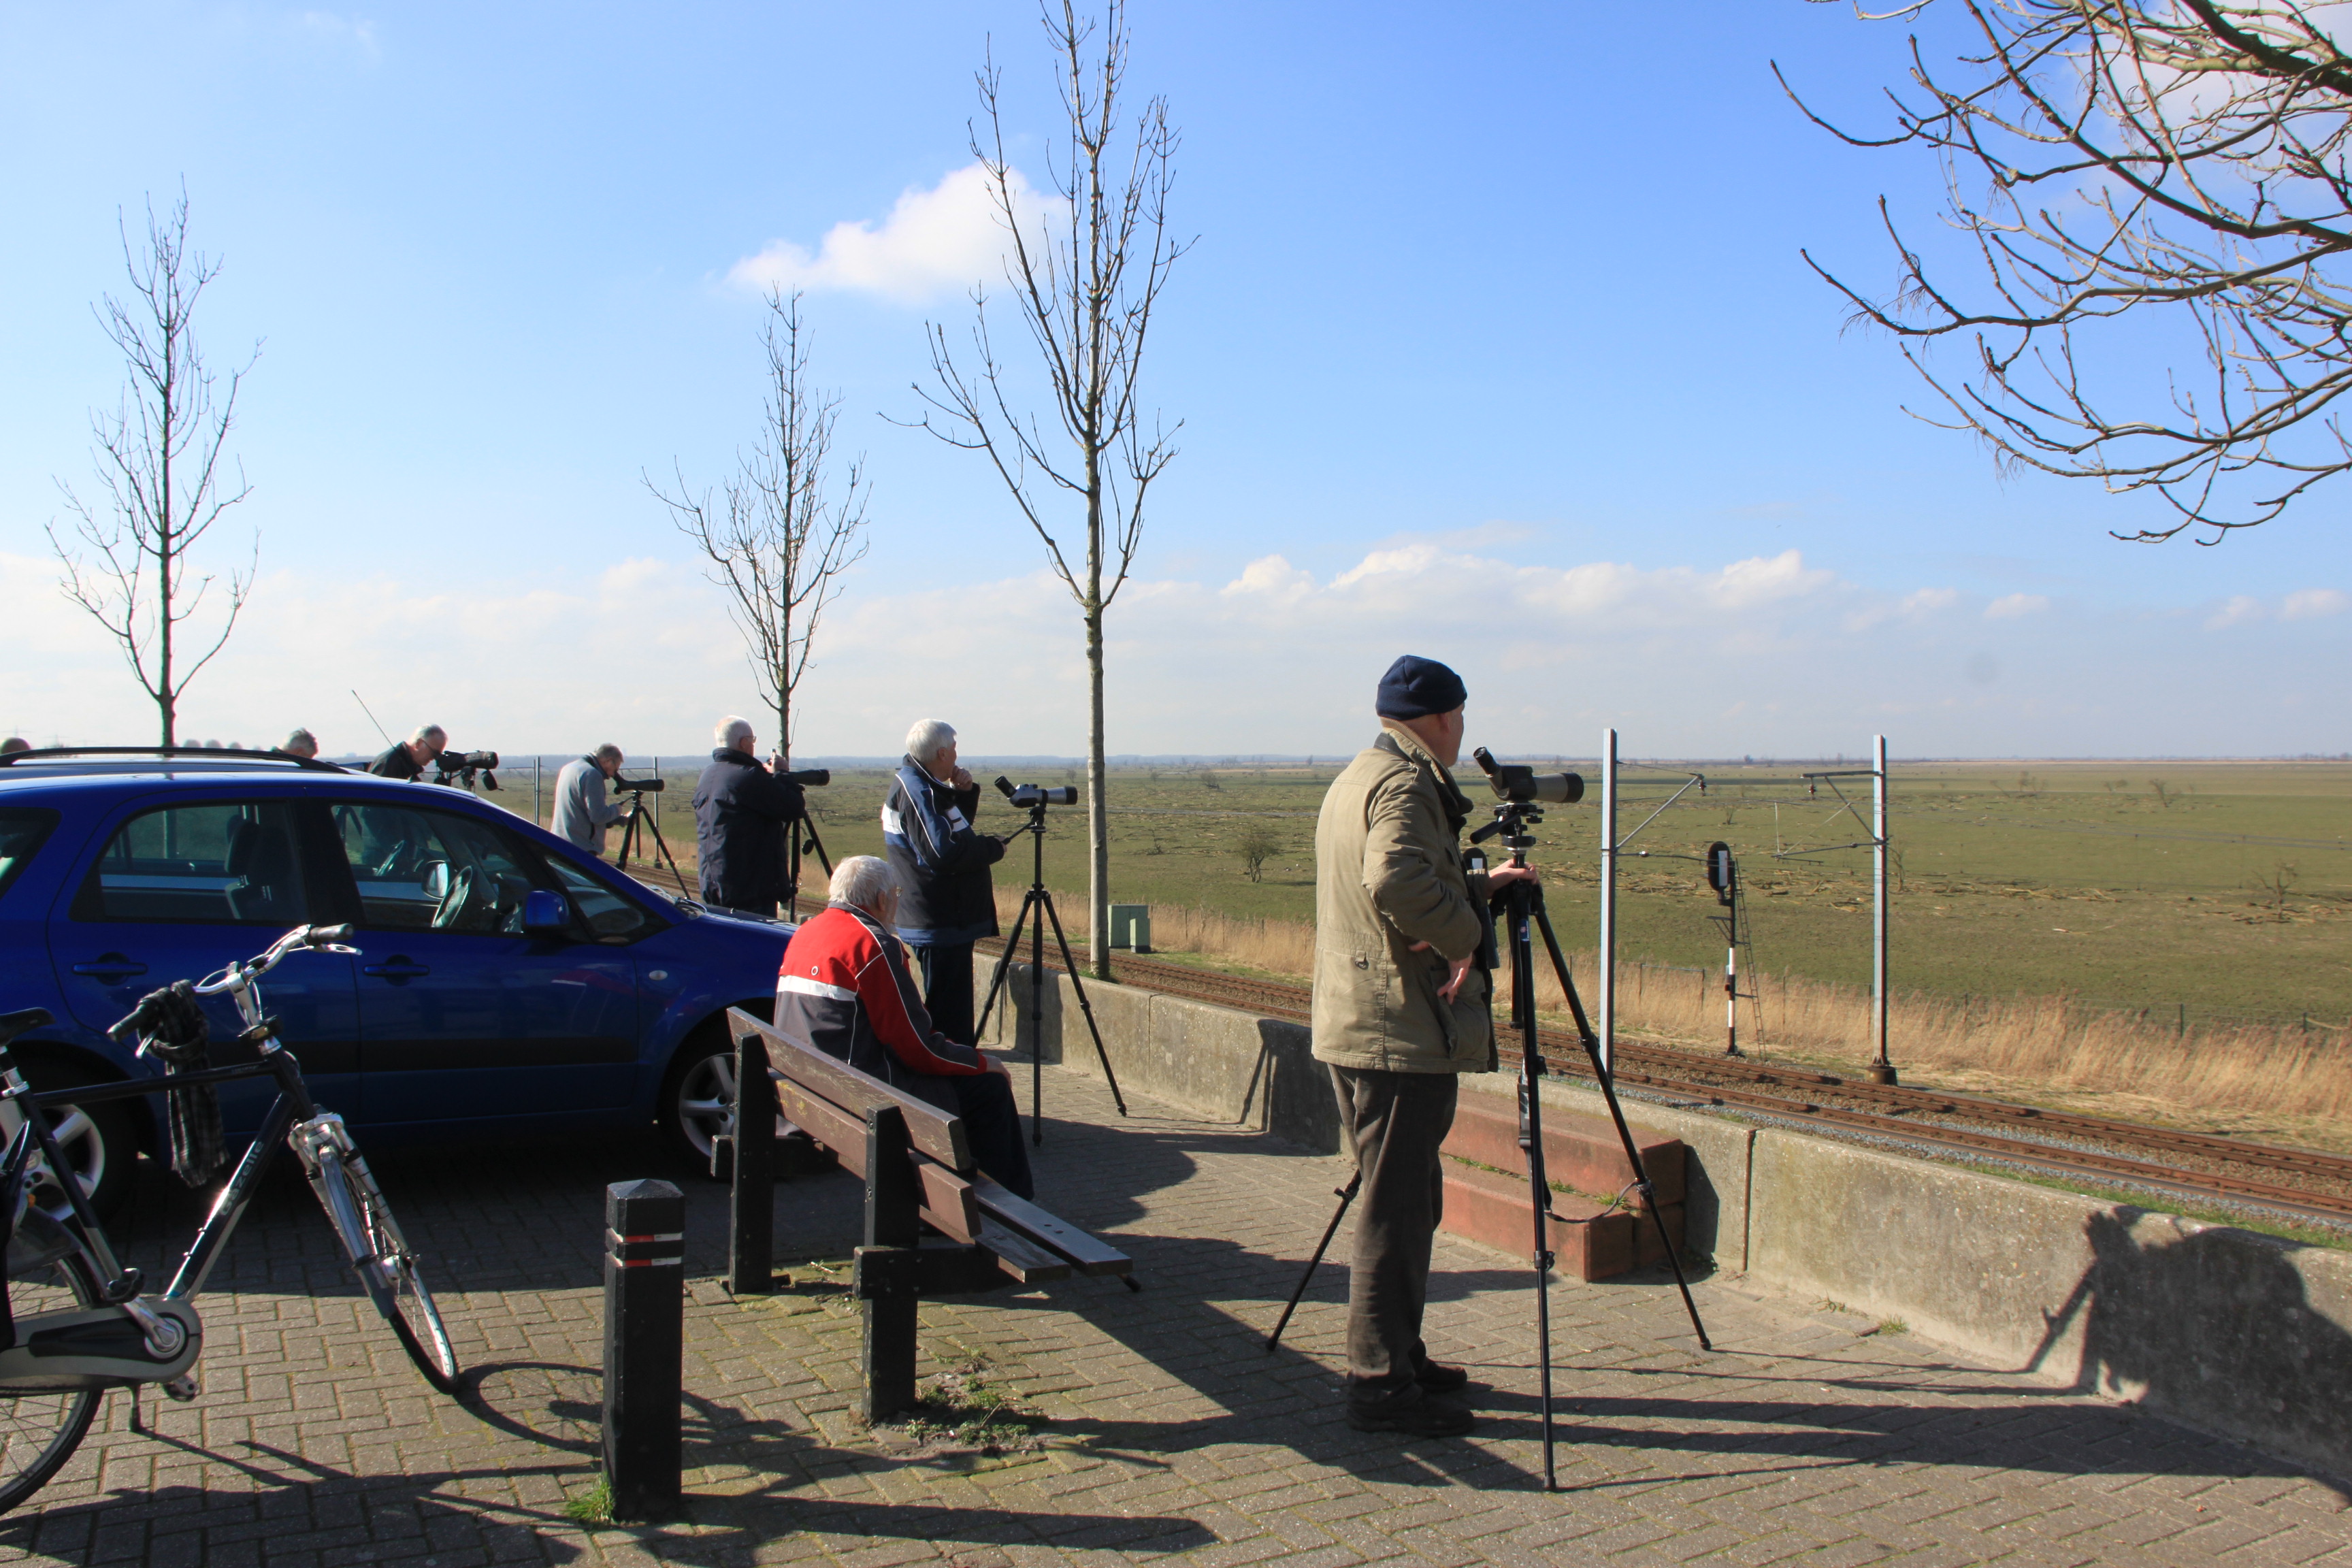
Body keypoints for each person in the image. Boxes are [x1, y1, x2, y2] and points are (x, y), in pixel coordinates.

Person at [1311, 654, 1537, 1437]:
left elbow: (1394, 886)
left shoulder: (1362, 774)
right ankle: (1377, 1383)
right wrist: (1469, 931)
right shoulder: (1407, 784)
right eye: (1461, 717)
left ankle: (1399, 1356)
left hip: (1368, 1019)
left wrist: (1477, 889)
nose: (1463, 731)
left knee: (1403, 1197)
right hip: (1396, 1030)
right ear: (1442, 718)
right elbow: (1395, 881)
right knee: (1394, 1207)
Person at [773, 856, 1032, 1198]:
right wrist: (980, 1061)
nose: (897, 901)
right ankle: (1007, 1209)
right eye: (896, 893)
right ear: (881, 900)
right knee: (988, 1088)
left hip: (808, 1083)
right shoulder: (871, 945)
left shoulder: (808, 932)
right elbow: (915, 1047)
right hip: (856, 1093)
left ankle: (960, 1192)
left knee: (967, 1085)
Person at [881, 719, 1006, 1045]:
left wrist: (962, 795)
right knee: (949, 1021)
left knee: (950, 1011)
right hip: (939, 920)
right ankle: (951, 1083)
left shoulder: (925, 785)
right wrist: (993, 848)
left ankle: (954, 1074)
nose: (956, 754)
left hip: (945, 919)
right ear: (941, 752)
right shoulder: (917, 790)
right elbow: (944, 854)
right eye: (953, 748)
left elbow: (947, 833)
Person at [691, 715, 802, 915]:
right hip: (750, 888)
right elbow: (793, 807)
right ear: (744, 743)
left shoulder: (708, 775)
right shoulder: (748, 776)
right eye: (752, 741)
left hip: (713, 881)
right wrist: (782, 774)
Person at [553, 744, 627, 854]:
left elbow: (579, 811)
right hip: (581, 848)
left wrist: (614, 820)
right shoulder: (592, 774)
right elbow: (598, 817)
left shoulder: (569, 768)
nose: (613, 775)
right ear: (609, 761)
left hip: (560, 842)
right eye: (615, 769)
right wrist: (617, 809)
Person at [370, 725, 446, 781]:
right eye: (434, 753)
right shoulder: (391, 764)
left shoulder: (406, 764)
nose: (434, 758)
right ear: (419, 743)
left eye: (438, 755)